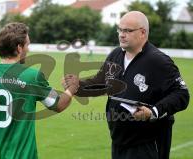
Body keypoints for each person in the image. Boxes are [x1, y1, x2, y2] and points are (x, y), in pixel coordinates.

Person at [63, 11, 190, 159]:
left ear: (142, 33)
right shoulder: (116, 55)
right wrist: (77, 85)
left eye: (127, 31)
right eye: (120, 30)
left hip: (147, 145)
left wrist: (153, 112)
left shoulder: (159, 61)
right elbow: (101, 83)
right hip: (119, 142)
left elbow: (181, 94)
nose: (121, 34)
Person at [0, 22, 78, 159]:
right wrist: (71, 89)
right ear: (19, 48)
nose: (28, 50)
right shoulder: (32, 77)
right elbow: (58, 104)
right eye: (27, 45)